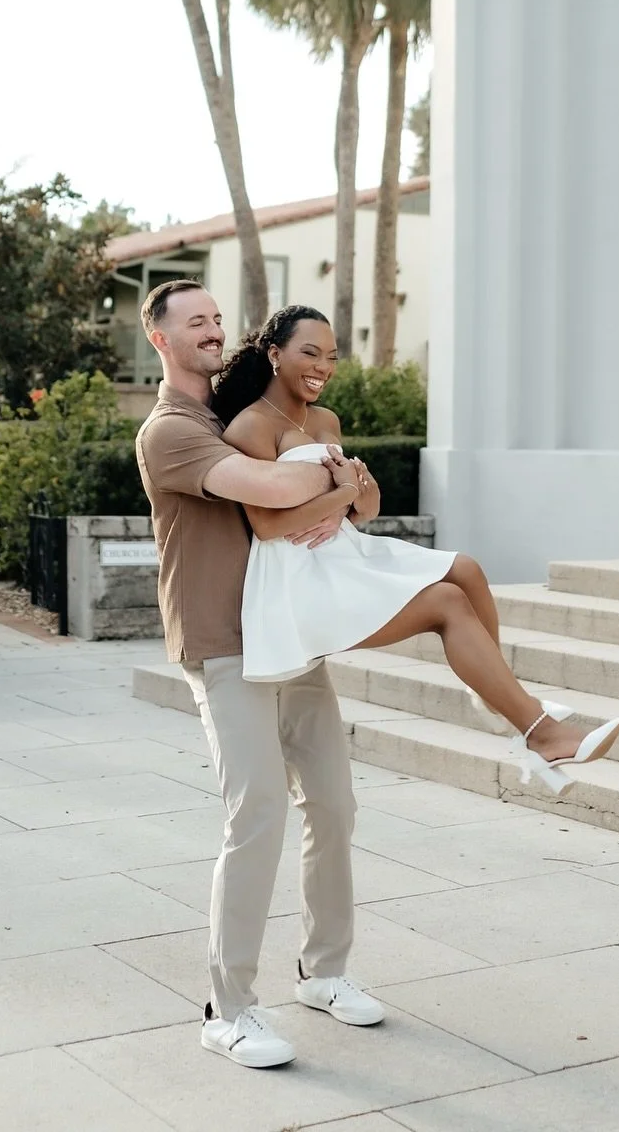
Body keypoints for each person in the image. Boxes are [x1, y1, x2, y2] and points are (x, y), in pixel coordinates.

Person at [215, 305, 619, 794]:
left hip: (345, 554)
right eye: (310, 353)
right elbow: (266, 527)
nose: (323, 367)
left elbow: (367, 508)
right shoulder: (252, 425)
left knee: (466, 570)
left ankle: (497, 698)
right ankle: (541, 734)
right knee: (446, 602)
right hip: (296, 579)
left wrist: (351, 495)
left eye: (332, 357)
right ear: (274, 354)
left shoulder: (325, 418)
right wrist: (343, 491)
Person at [134, 279, 385, 1071]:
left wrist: (343, 481)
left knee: (335, 804)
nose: (213, 330)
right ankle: (229, 1008)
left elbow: (348, 498)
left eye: (217, 318)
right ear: (161, 340)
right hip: (225, 643)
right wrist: (343, 477)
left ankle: (325, 970)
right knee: (259, 813)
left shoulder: (236, 413)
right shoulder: (172, 431)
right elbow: (278, 487)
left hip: (290, 636)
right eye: (194, 322)